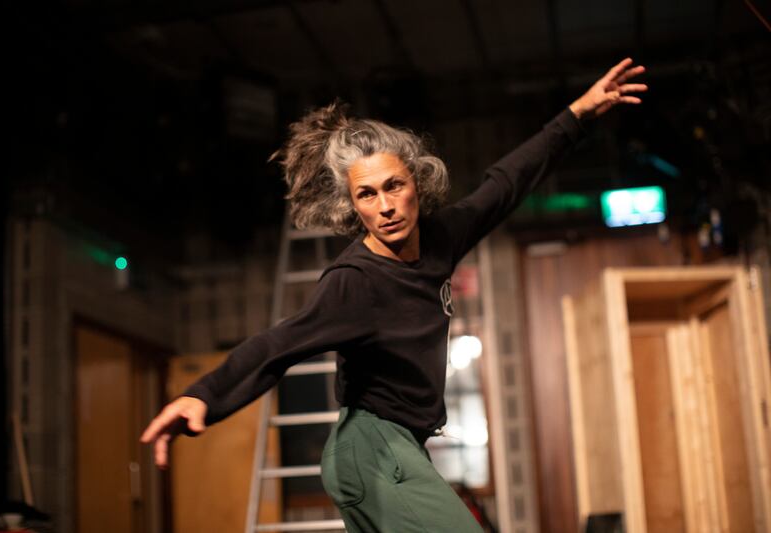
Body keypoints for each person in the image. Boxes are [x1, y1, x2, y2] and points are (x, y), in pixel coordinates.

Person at [140, 57, 647, 532]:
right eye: (367, 194)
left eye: (393, 186)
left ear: (417, 184)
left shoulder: (443, 238)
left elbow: (506, 183)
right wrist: (202, 394)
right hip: (370, 448)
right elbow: (279, 344)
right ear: (352, 205)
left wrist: (577, 115)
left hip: (405, 448)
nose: (385, 206)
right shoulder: (355, 282)